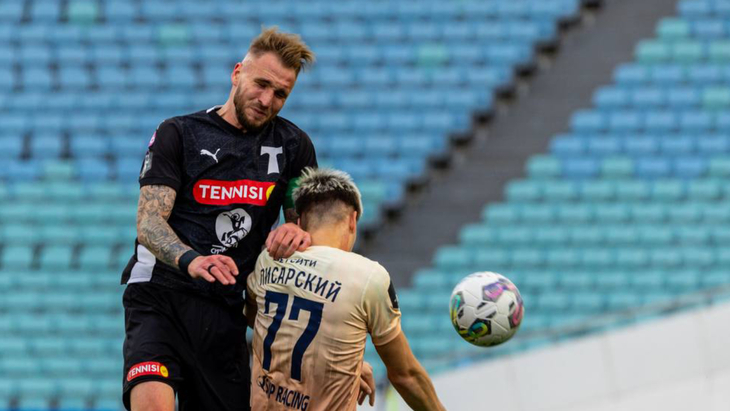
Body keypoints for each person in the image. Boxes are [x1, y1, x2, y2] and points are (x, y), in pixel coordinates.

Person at [120, 27, 324, 411]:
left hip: (226, 308)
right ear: (237, 73)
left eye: (281, 93)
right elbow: (148, 223)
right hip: (160, 294)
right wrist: (193, 260)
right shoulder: (179, 133)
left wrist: (297, 232)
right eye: (261, 84)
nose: (267, 100)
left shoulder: (294, 147)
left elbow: (310, 230)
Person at [246, 167, 447, 411]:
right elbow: (406, 376)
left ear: (300, 222)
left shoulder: (269, 259)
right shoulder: (367, 276)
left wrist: (346, 362)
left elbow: (262, 320)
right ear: (352, 220)